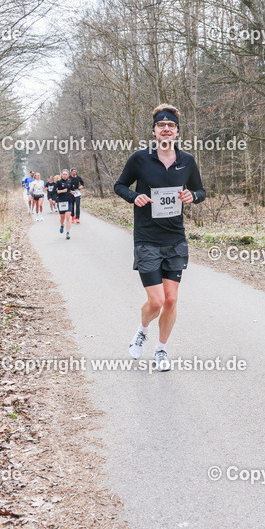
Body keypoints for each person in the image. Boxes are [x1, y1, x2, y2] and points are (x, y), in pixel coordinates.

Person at [114, 104, 205, 372]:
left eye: (171, 126)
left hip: (175, 238)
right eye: (161, 125)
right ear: (154, 131)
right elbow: (120, 185)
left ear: (177, 132)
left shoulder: (186, 161)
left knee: (171, 300)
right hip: (147, 239)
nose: (166, 129)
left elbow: (200, 190)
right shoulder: (140, 159)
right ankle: (142, 331)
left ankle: (161, 350)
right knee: (156, 302)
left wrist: (193, 196)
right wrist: (135, 196)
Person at [54, 169, 74, 238]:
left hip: (68, 200)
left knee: (68, 217)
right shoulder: (58, 182)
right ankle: (62, 225)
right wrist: (62, 191)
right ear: (61, 175)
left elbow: (72, 190)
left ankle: (68, 233)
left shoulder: (69, 182)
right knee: (62, 217)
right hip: (61, 201)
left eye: (66, 174)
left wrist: (72, 192)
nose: (65, 175)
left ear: (68, 175)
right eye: (63, 174)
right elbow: (54, 191)